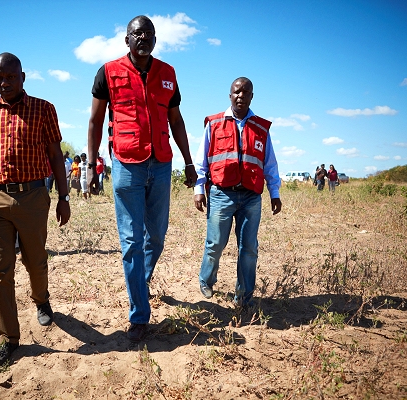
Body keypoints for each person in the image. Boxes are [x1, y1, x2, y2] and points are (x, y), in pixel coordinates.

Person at [87, 15, 197, 343]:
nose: (143, 38)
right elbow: (94, 121)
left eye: (148, 34)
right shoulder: (108, 72)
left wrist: (189, 161)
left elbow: (176, 121)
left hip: (161, 164)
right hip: (125, 165)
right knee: (132, 241)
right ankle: (139, 314)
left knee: (157, 237)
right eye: (137, 34)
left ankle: (140, 282)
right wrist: (93, 165)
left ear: (155, 39)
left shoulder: (168, 74)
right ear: (127, 40)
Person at [0, 52, 70, 370]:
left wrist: (64, 196)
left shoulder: (44, 109)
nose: (4, 83)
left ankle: (41, 299)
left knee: (35, 260)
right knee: (0, 270)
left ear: (23, 77)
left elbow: (56, 155)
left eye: (10, 77)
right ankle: (9, 340)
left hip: (32, 197)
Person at [193, 77, 282, 308]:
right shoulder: (213, 124)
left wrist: (275, 193)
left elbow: (269, 164)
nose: (241, 96)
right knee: (215, 243)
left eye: (246, 92)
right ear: (229, 95)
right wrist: (198, 188)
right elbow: (202, 160)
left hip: (251, 196)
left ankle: (243, 296)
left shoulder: (261, 129)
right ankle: (207, 280)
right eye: (236, 92)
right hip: (221, 193)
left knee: (249, 248)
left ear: (252, 97)